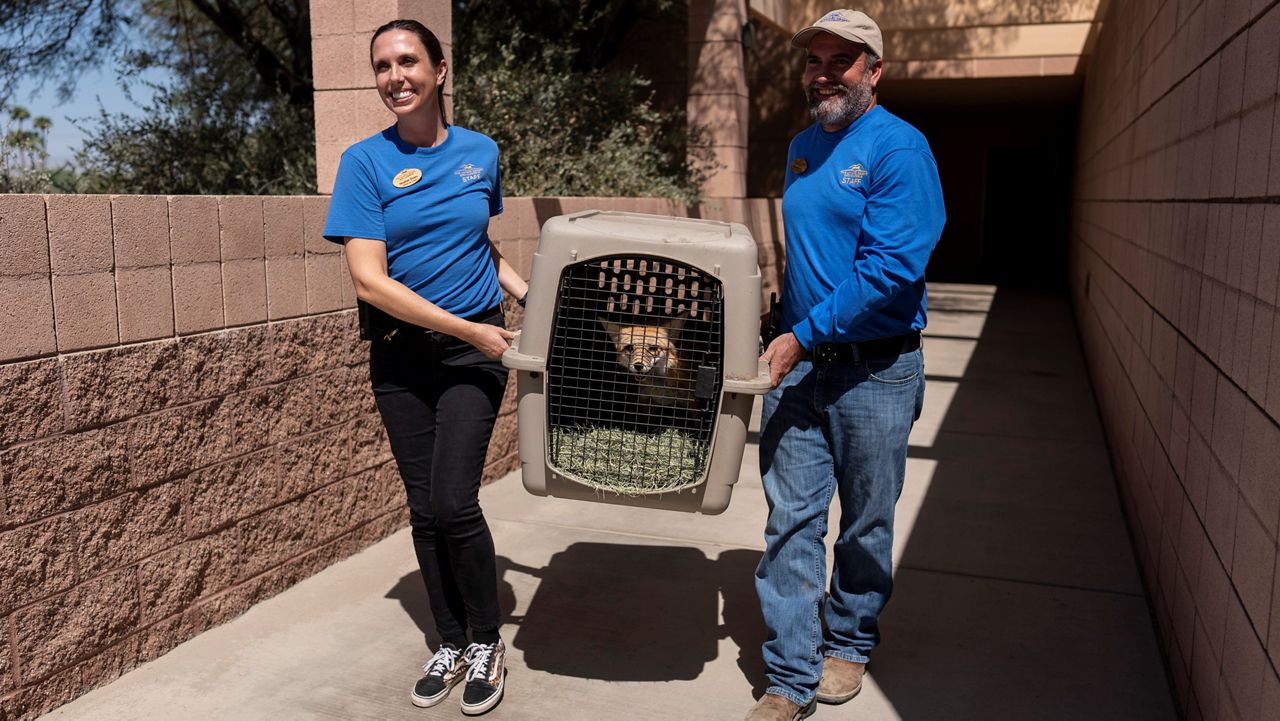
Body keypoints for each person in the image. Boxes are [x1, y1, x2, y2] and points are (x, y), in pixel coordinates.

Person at [322, 19, 527, 717]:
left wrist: (530, 292)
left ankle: (486, 640)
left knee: (453, 500)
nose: (394, 76)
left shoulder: (481, 152)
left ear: (440, 72)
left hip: (476, 353)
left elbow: (478, 241)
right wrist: (473, 325)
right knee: (422, 505)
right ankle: (448, 639)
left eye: (408, 61)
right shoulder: (364, 163)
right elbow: (370, 284)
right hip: (402, 356)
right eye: (383, 65)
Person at [748, 9, 946, 721]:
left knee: (864, 520)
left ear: (875, 71)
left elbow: (893, 267)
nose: (824, 73)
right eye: (815, 61)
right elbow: (807, 256)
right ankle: (789, 677)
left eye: (842, 61)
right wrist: (779, 326)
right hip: (800, 368)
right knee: (791, 521)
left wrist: (805, 333)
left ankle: (850, 639)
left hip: (877, 371)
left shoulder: (900, 149)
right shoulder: (802, 146)